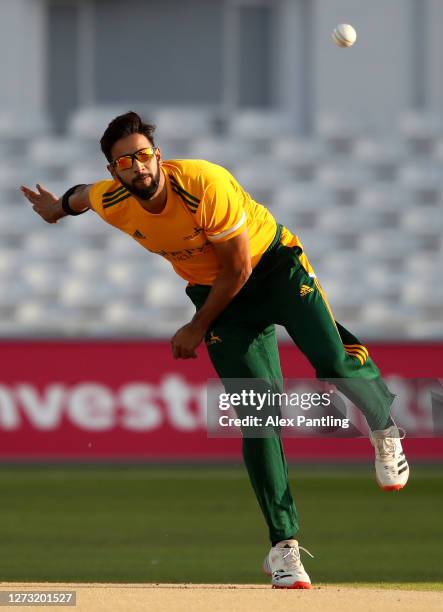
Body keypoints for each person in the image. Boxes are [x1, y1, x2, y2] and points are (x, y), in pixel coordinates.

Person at [21, 111, 409, 589]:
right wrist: (55, 208)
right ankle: (284, 547)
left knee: (331, 362)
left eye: (144, 156)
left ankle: (384, 426)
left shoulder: (205, 183)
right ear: (114, 172)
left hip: (272, 270)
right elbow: (81, 197)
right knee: (258, 416)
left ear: (158, 158)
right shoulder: (112, 197)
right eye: (125, 161)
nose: (137, 166)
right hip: (217, 296)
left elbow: (238, 269)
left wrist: (194, 327)